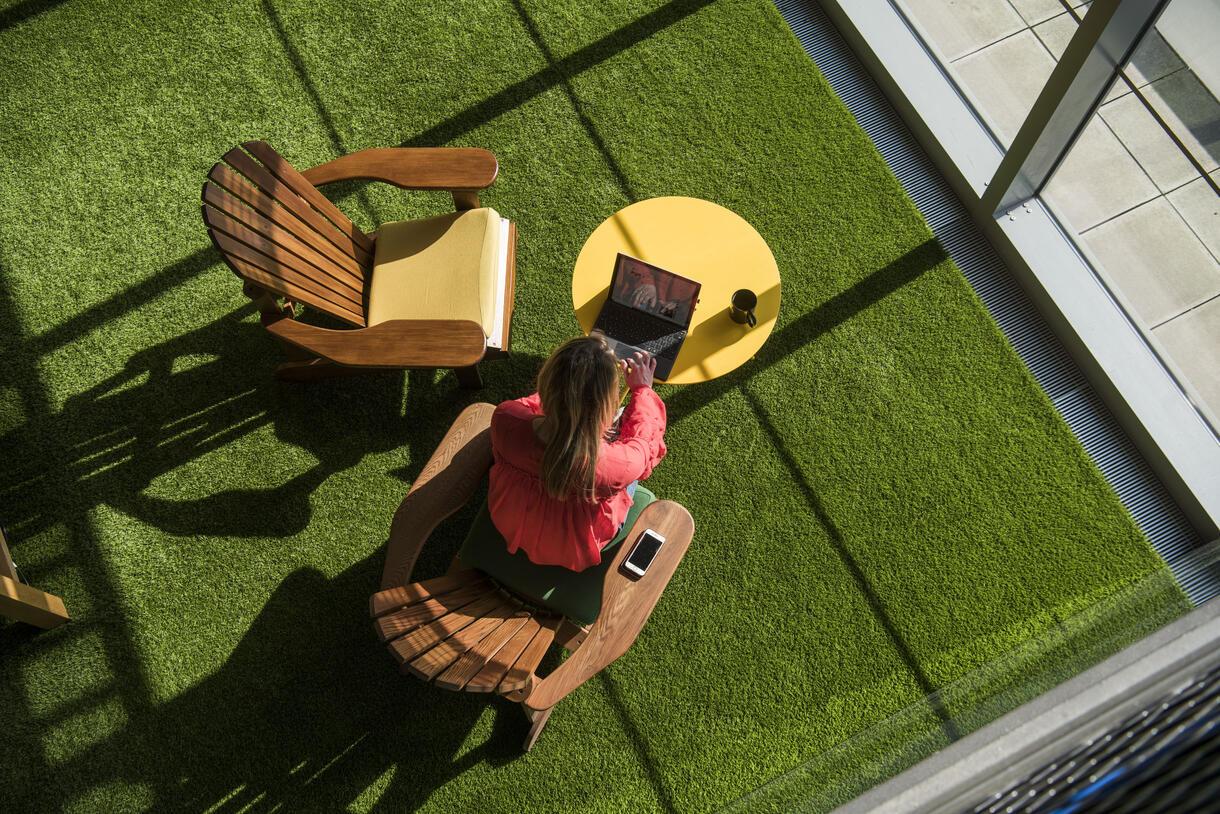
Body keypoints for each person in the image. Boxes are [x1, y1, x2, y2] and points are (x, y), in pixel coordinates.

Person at [488, 335, 667, 571]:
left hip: (509, 520)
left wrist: (570, 388)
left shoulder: (506, 418)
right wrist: (643, 390)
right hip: (574, 547)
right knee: (630, 464)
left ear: (547, 382)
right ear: (603, 406)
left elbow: (531, 406)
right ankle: (610, 425)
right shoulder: (616, 464)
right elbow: (645, 443)